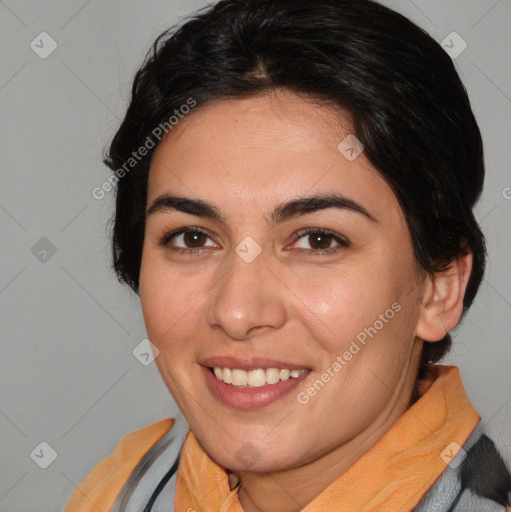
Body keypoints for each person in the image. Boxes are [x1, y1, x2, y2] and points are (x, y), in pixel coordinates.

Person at [64, 0, 511, 510]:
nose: (236, 312)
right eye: (192, 238)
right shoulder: (120, 488)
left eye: (318, 240)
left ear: (439, 287)